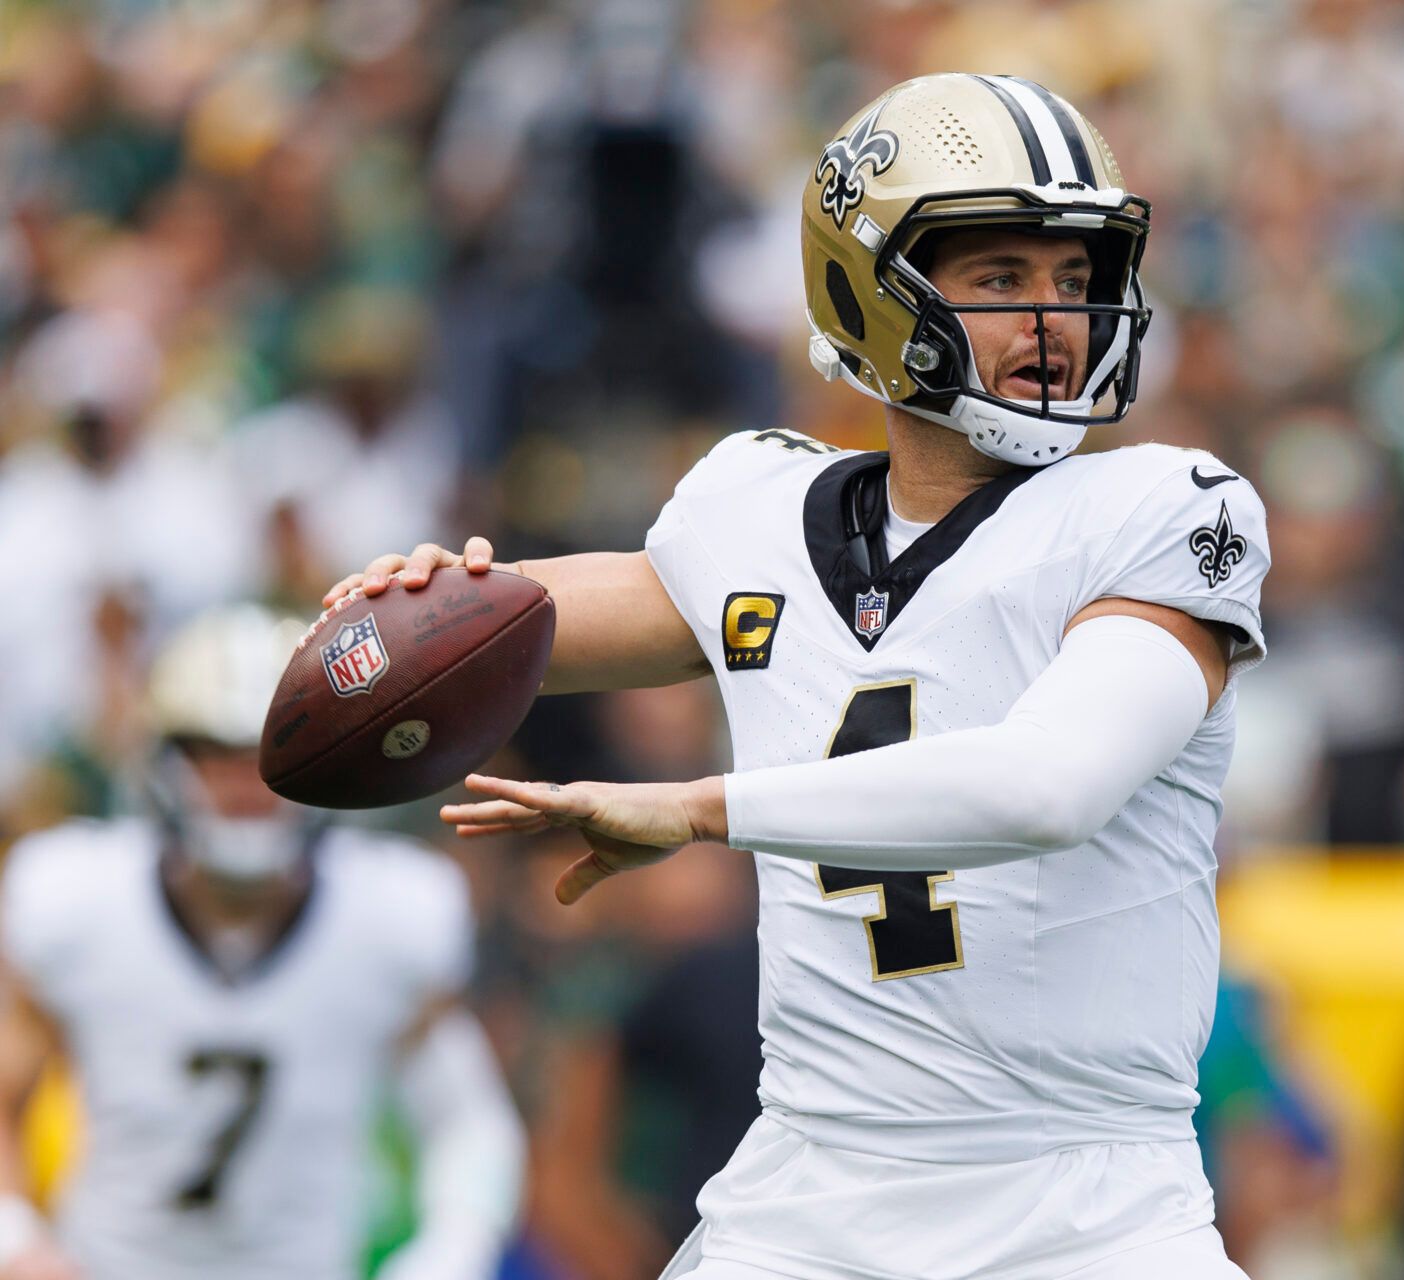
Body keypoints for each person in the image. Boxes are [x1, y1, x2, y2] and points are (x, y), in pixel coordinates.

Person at [329, 73, 1272, 1280]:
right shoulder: (753, 505)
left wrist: (699, 806)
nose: (1054, 317)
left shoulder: (1166, 508)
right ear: (866, 288)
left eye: (1075, 277)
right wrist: (416, 603)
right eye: (1000, 279)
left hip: (1085, 1208)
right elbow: (514, 628)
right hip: (808, 1197)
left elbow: (1050, 786)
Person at [0, 606, 526, 1280]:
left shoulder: (389, 918)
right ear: (165, 764)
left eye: (276, 756)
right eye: (220, 758)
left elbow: (467, 1123)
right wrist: (18, 1242)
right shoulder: (78, 903)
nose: (249, 789)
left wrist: (450, 1253)